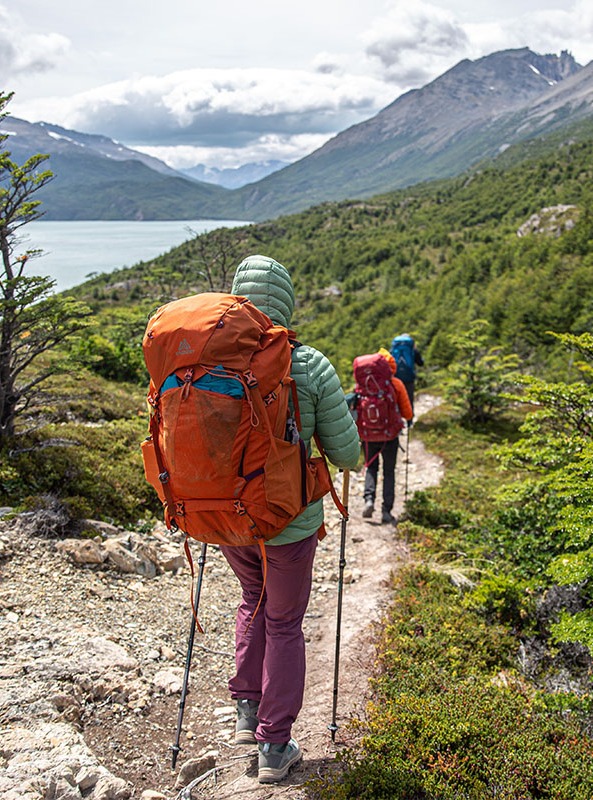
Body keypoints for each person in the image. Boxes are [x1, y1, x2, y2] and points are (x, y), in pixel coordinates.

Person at [220, 254, 360, 784]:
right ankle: (275, 746)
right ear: (287, 302)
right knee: (283, 621)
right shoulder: (311, 364)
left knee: (249, 600)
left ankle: (247, 713)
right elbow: (346, 456)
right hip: (288, 522)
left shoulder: (213, 362)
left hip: (230, 518)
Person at [352, 348, 413, 525]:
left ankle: (368, 500)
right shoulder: (395, 384)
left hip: (368, 436)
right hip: (389, 436)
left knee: (371, 467)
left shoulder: (362, 386)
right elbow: (407, 413)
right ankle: (386, 511)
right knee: (388, 472)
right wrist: (407, 420)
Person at [389, 333, 423, 408]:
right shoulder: (412, 350)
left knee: (396, 399)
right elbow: (420, 363)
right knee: (409, 398)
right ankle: (410, 419)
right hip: (409, 377)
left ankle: (397, 418)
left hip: (396, 378)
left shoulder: (394, 349)